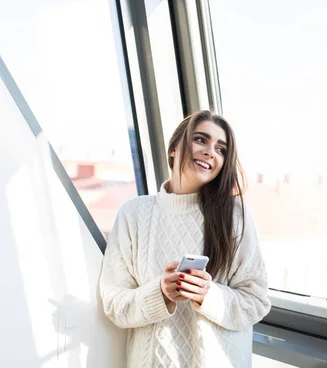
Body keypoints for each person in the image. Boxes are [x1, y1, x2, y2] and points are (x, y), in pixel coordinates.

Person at [99, 110, 271, 367]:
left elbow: (256, 302)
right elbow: (115, 305)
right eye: (201, 140)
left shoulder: (235, 215)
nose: (210, 152)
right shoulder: (133, 214)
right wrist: (161, 293)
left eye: (221, 149)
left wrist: (207, 295)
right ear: (174, 148)